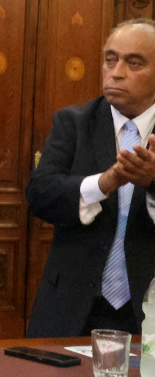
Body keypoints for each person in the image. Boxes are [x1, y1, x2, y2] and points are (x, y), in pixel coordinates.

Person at [26, 18, 155, 337]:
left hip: (146, 312)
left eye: (134, 62)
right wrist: (103, 183)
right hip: (70, 308)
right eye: (110, 59)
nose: (117, 71)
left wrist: (153, 184)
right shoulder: (74, 123)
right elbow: (40, 195)